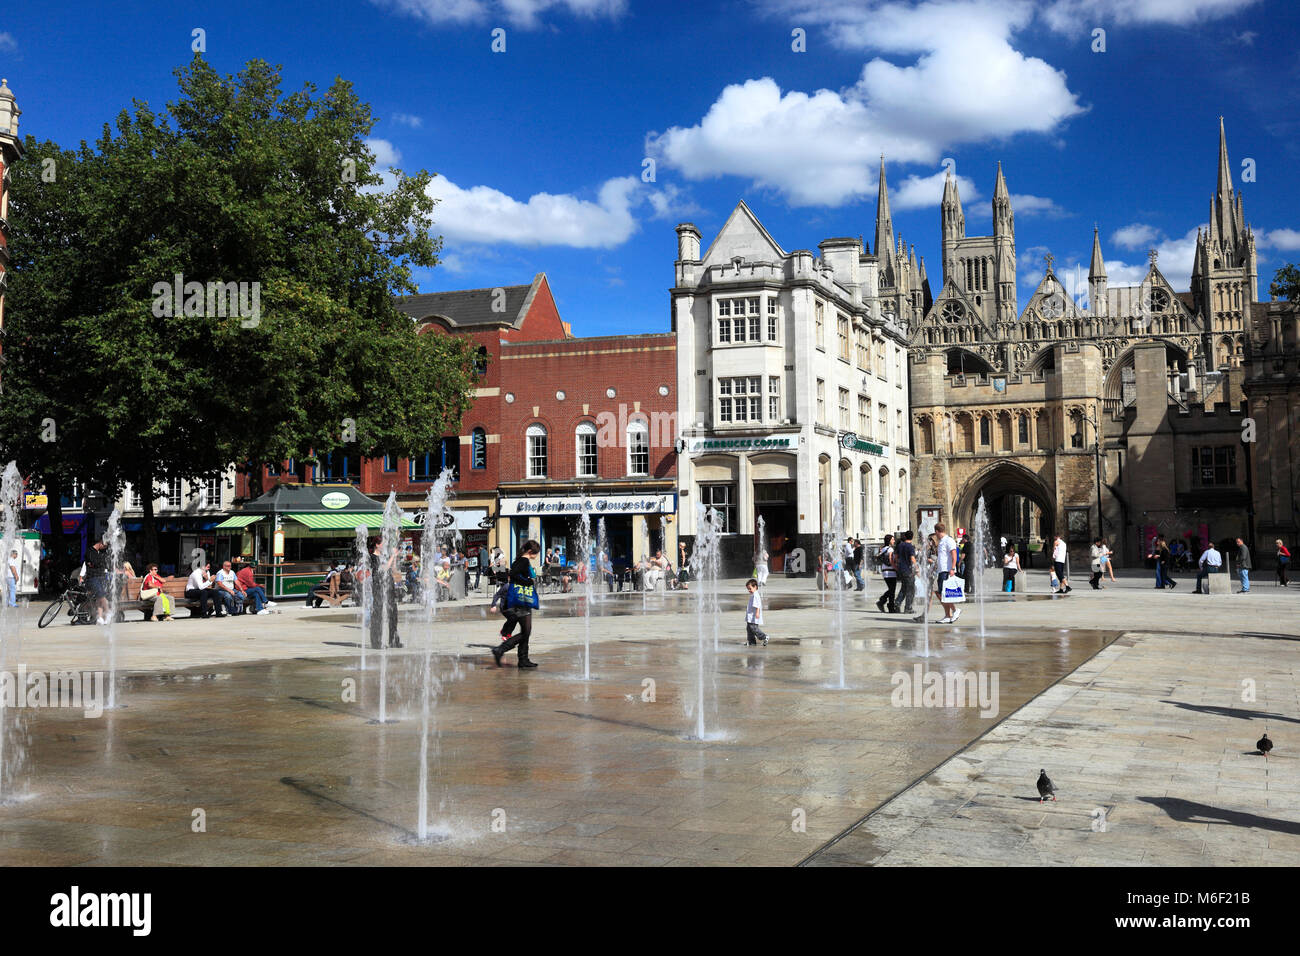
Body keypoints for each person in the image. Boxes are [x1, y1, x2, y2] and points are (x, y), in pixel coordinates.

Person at [492, 540, 541, 668]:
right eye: (536, 553)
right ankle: (500, 650)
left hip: (520, 601)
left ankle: (523, 659)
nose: (537, 556)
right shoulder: (523, 561)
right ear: (530, 552)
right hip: (521, 601)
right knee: (526, 632)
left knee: (526, 630)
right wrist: (528, 582)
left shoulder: (519, 559)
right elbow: (513, 575)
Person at [364, 540, 402, 648]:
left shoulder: (384, 556)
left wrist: (394, 557)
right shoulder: (372, 557)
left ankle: (393, 640)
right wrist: (392, 556)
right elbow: (383, 569)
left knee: (393, 613)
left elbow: (393, 569)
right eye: (383, 543)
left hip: (389, 585)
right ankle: (376, 642)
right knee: (378, 613)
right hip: (378, 586)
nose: (385, 545)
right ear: (377, 545)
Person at [81, 539, 113, 624]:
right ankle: (108, 611)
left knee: (99, 598)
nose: (105, 548)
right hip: (92, 577)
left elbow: (101, 564)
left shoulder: (101, 553)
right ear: (100, 542)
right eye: (105, 546)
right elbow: (94, 563)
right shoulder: (90, 552)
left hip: (101, 577)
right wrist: (97, 564)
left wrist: (97, 564)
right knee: (101, 595)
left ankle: (100, 617)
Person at [934, 523, 962, 624]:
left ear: (937, 531)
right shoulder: (942, 541)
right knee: (940, 593)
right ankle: (947, 615)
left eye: (935, 533)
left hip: (946, 570)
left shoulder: (948, 540)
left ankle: (955, 610)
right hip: (941, 570)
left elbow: (954, 554)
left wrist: (952, 568)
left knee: (944, 594)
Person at [896, 530, 917, 613]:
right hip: (908, 570)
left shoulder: (900, 545)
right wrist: (917, 568)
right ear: (912, 537)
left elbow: (896, 557)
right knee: (911, 589)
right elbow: (912, 558)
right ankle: (908, 608)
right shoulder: (910, 546)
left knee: (904, 587)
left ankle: (897, 603)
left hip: (901, 569)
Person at [875, 534, 898, 613]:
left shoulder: (883, 549)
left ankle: (883, 601)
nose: (894, 541)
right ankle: (888, 605)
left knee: (891, 589)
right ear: (889, 541)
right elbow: (891, 561)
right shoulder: (890, 549)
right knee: (892, 590)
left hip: (884, 571)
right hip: (891, 571)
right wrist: (896, 568)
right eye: (892, 539)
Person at [744, 577, 769, 646]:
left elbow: (757, 605)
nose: (749, 590)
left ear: (755, 587)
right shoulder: (754, 595)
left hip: (753, 616)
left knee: (754, 629)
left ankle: (764, 637)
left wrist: (757, 613)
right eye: (748, 589)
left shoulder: (755, 595)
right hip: (750, 616)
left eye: (750, 589)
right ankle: (752, 642)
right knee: (749, 629)